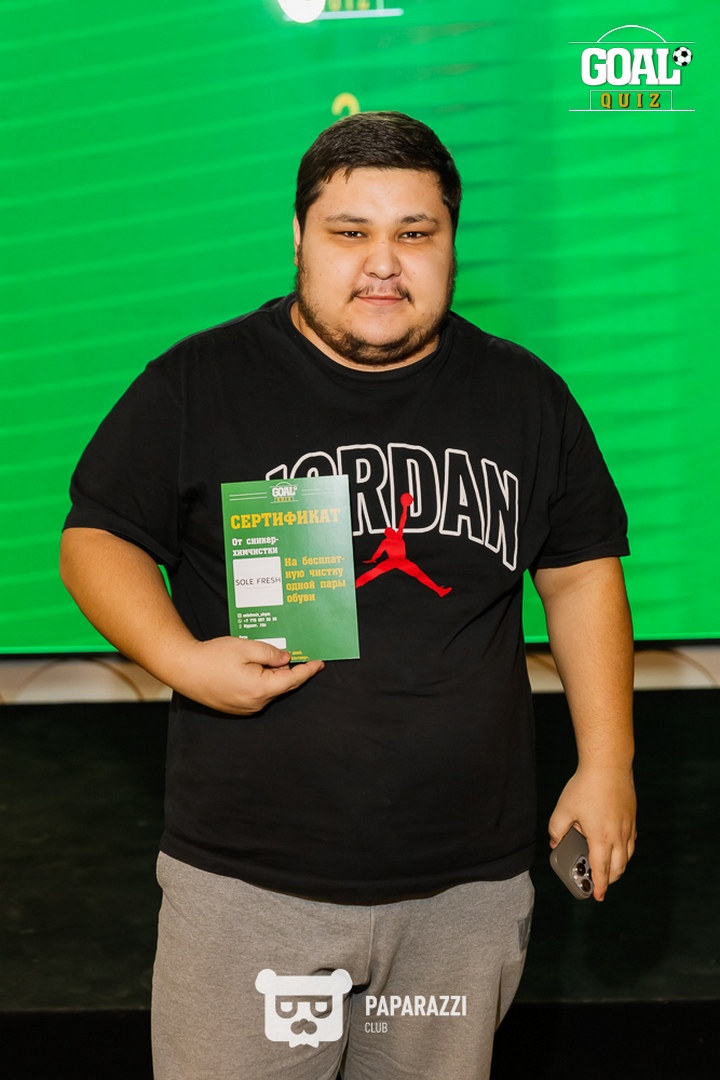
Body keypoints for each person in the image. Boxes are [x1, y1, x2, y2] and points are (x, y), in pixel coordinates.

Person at [60, 111, 636, 1080]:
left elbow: (580, 571)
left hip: (466, 893)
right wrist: (179, 658)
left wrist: (609, 760)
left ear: (452, 241)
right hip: (249, 890)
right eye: (349, 232)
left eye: (415, 233)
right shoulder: (201, 382)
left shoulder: (525, 395)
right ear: (297, 237)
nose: (384, 263)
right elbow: (97, 537)